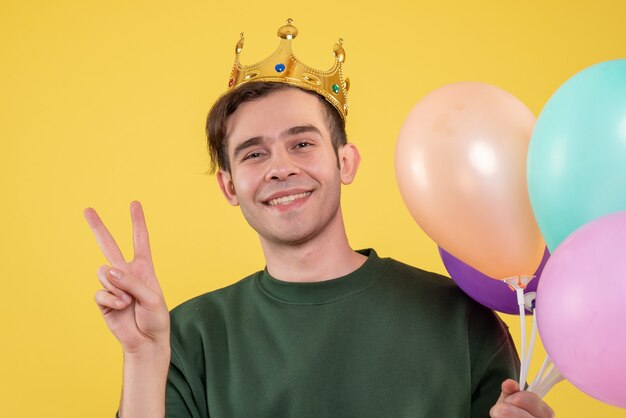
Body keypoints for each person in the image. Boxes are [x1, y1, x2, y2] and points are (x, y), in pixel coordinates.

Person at [84, 20, 555, 418]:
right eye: (253, 153)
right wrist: (143, 356)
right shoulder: (186, 335)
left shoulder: (461, 319)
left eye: (302, 143)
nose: (280, 167)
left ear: (345, 162)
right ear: (229, 186)